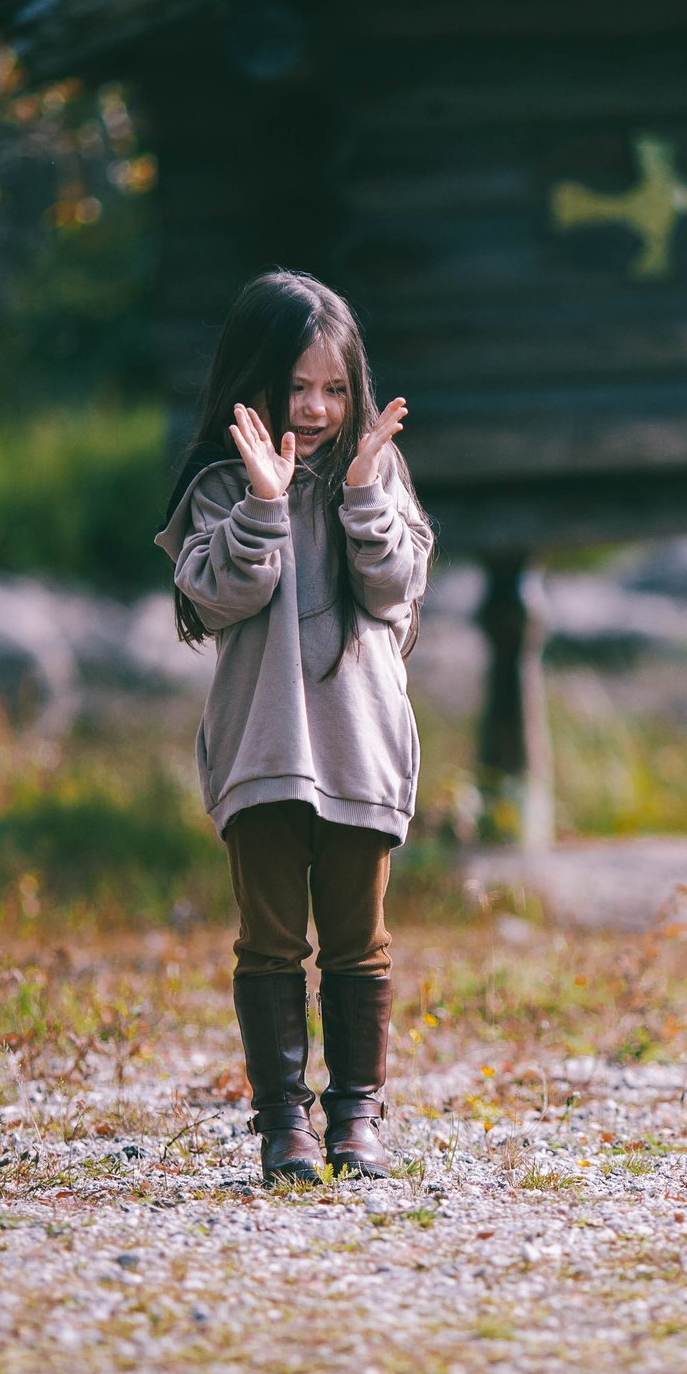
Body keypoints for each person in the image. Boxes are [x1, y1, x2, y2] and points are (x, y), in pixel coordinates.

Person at [155, 271, 431, 1185]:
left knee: (360, 942)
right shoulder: (219, 487)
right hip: (264, 751)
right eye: (297, 386)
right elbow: (223, 592)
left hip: (359, 747)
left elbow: (397, 589)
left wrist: (360, 493)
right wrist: (265, 503)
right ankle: (286, 1124)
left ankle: (357, 1114)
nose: (314, 408)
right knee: (269, 941)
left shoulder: (377, 472)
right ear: (257, 379)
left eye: (334, 389)